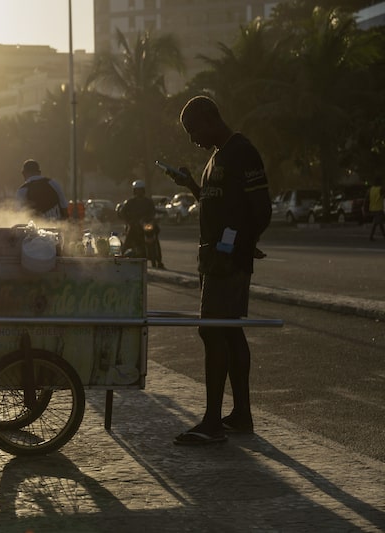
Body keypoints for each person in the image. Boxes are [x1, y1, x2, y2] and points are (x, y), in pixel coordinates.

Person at [163, 95, 271, 445]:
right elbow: (216, 204)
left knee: (212, 330)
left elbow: (261, 210)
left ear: (212, 119)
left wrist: (237, 246)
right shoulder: (215, 158)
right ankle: (241, 414)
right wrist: (192, 185)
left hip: (226, 260)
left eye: (194, 130)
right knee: (229, 330)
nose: (193, 139)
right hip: (213, 258)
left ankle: (212, 421)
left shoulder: (241, 152)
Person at [116, 180, 164, 268]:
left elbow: (152, 212)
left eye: (141, 190)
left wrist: (152, 219)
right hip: (134, 224)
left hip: (146, 224)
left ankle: (159, 261)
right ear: (134, 191)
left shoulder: (148, 201)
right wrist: (129, 221)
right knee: (129, 236)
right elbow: (123, 212)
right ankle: (121, 255)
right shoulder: (130, 202)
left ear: (143, 190)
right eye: (137, 190)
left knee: (155, 237)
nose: (139, 192)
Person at [365, 177, 384, 241]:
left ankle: (372, 236)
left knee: (378, 222)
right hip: (378, 208)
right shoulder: (381, 189)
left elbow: (366, 199)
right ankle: (371, 236)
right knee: (377, 223)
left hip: (372, 208)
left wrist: (366, 208)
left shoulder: (371, 189)